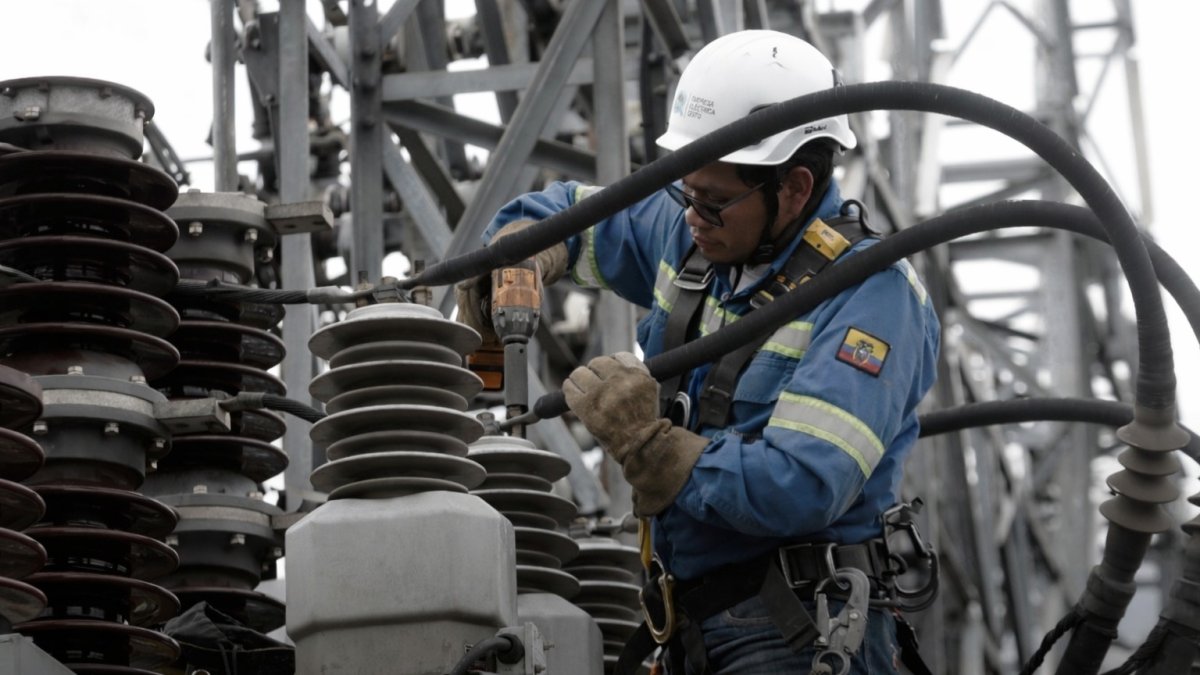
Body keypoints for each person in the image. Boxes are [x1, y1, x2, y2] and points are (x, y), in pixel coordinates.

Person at [456, 29, 940, 675]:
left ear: (794, 188)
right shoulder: (695, 229)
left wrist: (655, 449)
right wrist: (524, 245)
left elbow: (805, 483)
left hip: (793, 630)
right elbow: (573, 216)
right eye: (685, 190)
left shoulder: (872, 295)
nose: (692, 215)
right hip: (685, 626)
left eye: (712, 201)